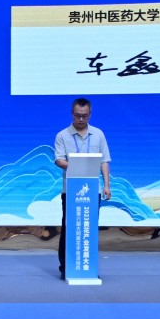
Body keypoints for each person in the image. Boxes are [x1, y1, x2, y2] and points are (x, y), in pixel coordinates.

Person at [52, 97, 111, 279]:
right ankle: (66, 268)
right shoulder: (62, 135)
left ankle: (89, 268)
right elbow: (58, 159)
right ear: (72, 114)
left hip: (93, 190)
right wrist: (77, 164)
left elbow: (104, 161)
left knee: (90, 228)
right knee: (69, 228)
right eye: (77, 115)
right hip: (70, 190)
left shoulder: (98, 134)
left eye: (85, 116)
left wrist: (107, 186)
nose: (81, 119)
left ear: (90, 114)